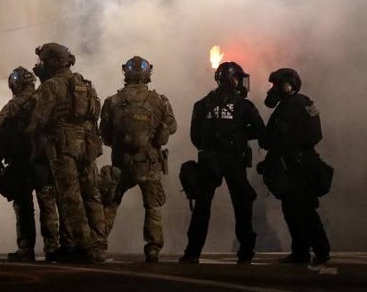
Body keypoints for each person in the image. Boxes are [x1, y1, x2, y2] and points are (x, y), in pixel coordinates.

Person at [25, 42, 106, 263]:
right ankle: (99, 245)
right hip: (87, 145)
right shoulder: (85, 84)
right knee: (92, 195)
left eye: (43, 61)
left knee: (71, 197)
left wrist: (29, 133)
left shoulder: (51, 86)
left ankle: (83, 246)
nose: (40, 65)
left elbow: (38, 120)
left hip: (63, 145)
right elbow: (94, 115)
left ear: (52, 62)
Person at [180, 61, 264, 265]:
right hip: (234, 159)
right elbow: (260, 130)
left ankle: (192, 253)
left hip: (209, 160)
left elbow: (195, 136)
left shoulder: (202, 104)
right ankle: (245, 252)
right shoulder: (244, 105)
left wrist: (210, 148)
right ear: (233, 79)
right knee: (242, 205)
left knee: (202, 206)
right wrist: (240, 136)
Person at [99, 56, 177, 263]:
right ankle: (153, 249)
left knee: (110, 203)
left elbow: (104, 134)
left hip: (121, 161)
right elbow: (172, 126)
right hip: (149, 162)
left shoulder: (112, 101)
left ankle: (98, 245)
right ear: (147, 74)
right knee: (153, 207)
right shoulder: (159, 100)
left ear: (125, 73)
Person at [258, 68, 330, 265]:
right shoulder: (305, 103)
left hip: (293, 167)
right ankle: (307, 251)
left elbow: (272, 139)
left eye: (275, 85)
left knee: (298, 210)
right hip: (302, 163)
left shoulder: (289, 107)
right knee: (301, 209)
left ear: (287, 86)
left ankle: (312, 251)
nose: (272, 89)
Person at [0, 66, 59, 262]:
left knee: (23, 207)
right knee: (47, 204)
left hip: (20, 162)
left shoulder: (12, 106)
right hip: (42, 161)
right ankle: (52, 247)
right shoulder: (45, 100)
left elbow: (0, 135)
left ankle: (25, 249)